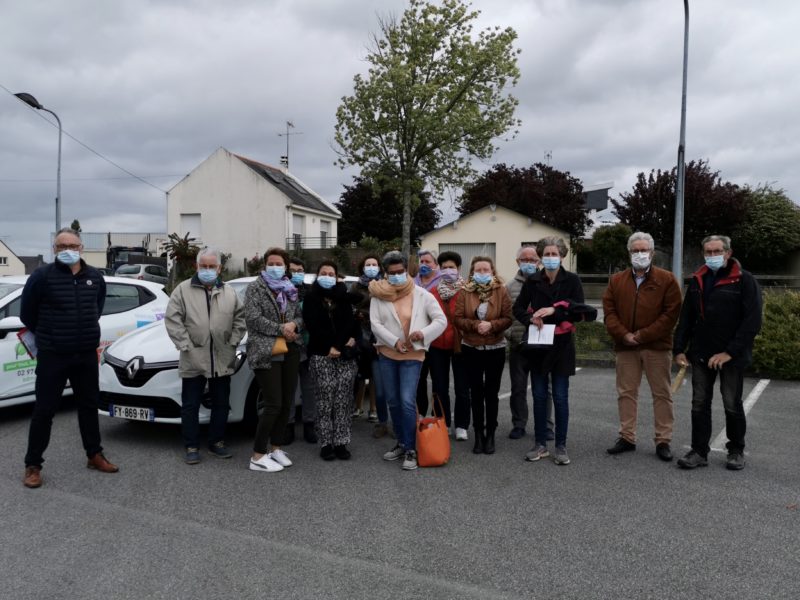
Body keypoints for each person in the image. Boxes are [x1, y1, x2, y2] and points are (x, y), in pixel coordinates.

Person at [21, 228, 118, 488]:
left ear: (81, 248)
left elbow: (96, 308)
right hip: (53, 355)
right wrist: (51, 334)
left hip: (85, 354)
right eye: (62, 246)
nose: (68, 250)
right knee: (44, 410)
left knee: (88, 406)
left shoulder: (95, 277)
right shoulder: (41, 276)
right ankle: (33, 465)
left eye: (72, 246)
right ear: (54, 249)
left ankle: (94, 454)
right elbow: (27, 314)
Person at [674, 235, 762, 471]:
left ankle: (736, 451)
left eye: (717, 251)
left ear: (728, 253)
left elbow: (752, 321)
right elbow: (687, 317)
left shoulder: (744, 280)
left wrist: (729, 352)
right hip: (701, 353)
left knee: (731, 402)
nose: (712, 256)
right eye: (708, 252)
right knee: (699, 402)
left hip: (731, 356)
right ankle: (699, 451)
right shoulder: (698, 279)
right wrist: (679, 348)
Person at [513, 236, 596, 466]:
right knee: (539, 396)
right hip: (539, 345)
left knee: (560, 397)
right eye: (547, 254)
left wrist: (553, 311)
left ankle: (560, 445)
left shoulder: (572, 280)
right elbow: (517, 308)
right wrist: (530, 319)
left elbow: (579, 310)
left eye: (554, 254)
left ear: (562, 256)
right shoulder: (532, 281)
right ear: (541, 257)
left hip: (562, 345)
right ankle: (540, 444)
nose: (550, 257)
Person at [603, 232, 682, 461]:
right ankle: (627, 437)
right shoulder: (616, 280)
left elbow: (671, 314)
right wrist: (624, 335)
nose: (640, 254)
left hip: (656, 347)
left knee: (662, 394)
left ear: (652, 253)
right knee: (626, 393)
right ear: (629, 253)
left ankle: (663, 440)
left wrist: (642, 336)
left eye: (643, 250)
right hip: (626, 347)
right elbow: (609, 313)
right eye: (635, 250)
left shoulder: (667, 279)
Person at [165, 247, 246, 465]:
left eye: (212, 266)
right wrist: (186, 345)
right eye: (203, 266)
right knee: (190, 405)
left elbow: (240, 319)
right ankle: (191, 446)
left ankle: (217, 442)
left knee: (221, 403)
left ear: (219, 269)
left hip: (222, 357)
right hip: (193, 357)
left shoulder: (229, 293)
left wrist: (233, 342)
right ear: (196, 266)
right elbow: (173, 319)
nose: (207, 270)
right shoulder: (182, 290)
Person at [370, 251, 446, 471]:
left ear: (406, 270)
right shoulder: (378, 295)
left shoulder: (422, 294)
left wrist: (423, 333)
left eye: (400, 271)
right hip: (387, 353)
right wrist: (394, 342)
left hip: (413, 354)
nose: (396, 275)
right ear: (385, 273)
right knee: (393, 400)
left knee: (406, 400)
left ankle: (411, 448)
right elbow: (375, 324)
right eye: (392, 272)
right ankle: (402, 443)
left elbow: (441, 320)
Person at [244, 247, 303, 473]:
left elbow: (299, 316)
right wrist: (282, 329)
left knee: (286, 403)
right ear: (265, 265)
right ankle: (258, 455)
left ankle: (276, 448)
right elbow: (253, 319)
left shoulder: (290, 288)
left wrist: (294, 325)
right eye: (271, 263)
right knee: (273, 404)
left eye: (279, 264)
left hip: (290, 349)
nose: (275, 267)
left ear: (286, 266)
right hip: (266, 350)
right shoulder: (255, 288)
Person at [454, 256, 513, 454]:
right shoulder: (465, 291)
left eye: (485, 270)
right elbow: (458, 318)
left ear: (492, 271)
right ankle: (478, 433)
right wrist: (476, 325)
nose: (482, 273)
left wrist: (492, 325)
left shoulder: (501, 290)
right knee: (476, 393)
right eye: (478, 270)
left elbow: (508, 318)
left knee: (492, 393)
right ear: (472, 272)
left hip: (495, 348)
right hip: (471, 347)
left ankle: (491, 434)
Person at [303, 261, 361, 460]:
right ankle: (326, 443)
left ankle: (341, 442)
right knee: (324, 400)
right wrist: (331, 346)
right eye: (323, 273)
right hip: (321, 355)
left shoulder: (344, 298)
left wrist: (340, 345)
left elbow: (350, 324)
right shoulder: (311, 297)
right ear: (317, 275)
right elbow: (313, 326)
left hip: (344, 355)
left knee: (343, 400)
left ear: (337, 277)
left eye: (331, 274)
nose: (327, 276)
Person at [506, 245, 554, 441]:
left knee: (544, 389)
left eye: (532, 260)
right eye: (524, 260)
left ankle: (546, 426)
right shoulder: (509, 287)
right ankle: (519, 424)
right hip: (518, 345)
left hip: (542, 346)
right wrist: (511, 335)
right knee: (518, 388)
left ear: (539, 261)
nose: (529, 263)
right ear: (517, 262)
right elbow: (504, 315)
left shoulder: (548, 283)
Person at [428, 251, 471, 441]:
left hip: (461, 344)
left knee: (462, 387)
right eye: (444, 267)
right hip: (437, 344)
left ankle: (462, 425)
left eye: (451, 267)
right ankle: (442, 422)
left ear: (459, 268)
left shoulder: (468, 290)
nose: (448, 270)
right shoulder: (432, 292)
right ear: (439, 269)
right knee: (439, 387)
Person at [350, 254, 391, 438]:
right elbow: (350, 306)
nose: (371, 267)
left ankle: (373, 409)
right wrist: (357, 313)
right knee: (359, 373)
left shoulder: (384, 285)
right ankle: (357, 406)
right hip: (360, 333)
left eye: (374, 264)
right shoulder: (356, 286)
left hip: (378, 334)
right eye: (368, 264)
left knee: (376, 374)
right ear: (362, 267)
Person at [286, 256, 317, 444]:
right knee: (288, 388)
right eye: (292, 270)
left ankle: (309, 424)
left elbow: (315, 317)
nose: (296, 274)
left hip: (308, 346)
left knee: (309, 388)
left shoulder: (311, 292)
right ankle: (288, 425)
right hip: (287, 345)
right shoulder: (281, 291)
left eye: (300, 271)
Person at [413, 248, 443, 418]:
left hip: (437, 340)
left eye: (427, 262)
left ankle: (437, 416)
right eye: (421, 261)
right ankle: (421, 414)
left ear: (436, 264)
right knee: (419, 380)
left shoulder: (443, 282)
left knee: (438, 381)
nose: (423, 264)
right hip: (417, 340)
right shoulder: (412, 282)